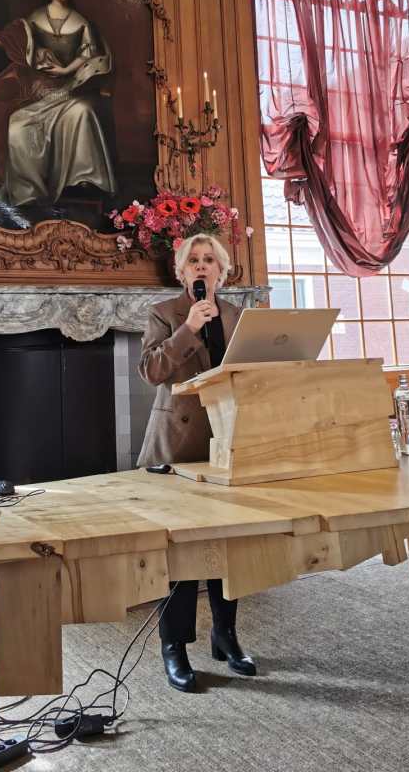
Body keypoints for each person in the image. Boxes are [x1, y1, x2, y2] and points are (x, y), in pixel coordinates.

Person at [137, 233, 256, 692]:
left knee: (229, 545)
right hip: (178, 444)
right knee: (180, 554)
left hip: (227, 440)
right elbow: (151, 371)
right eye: (194, 261)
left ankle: (226, 635)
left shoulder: (237, 316)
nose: (202, 267)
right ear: (182, 271)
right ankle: (175, 647)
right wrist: (187, 328)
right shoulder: (164, 313)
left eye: (210, 260)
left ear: (221, 273)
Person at [0, 0, 117, 207]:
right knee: (18, 125)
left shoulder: (81, 22)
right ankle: (28, 193)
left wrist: (65, 70)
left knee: (82, 112)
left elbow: (88, 55)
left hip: (72, 90)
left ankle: (81, 181)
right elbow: (18, 38)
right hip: (41, 93)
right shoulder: (36, 18)